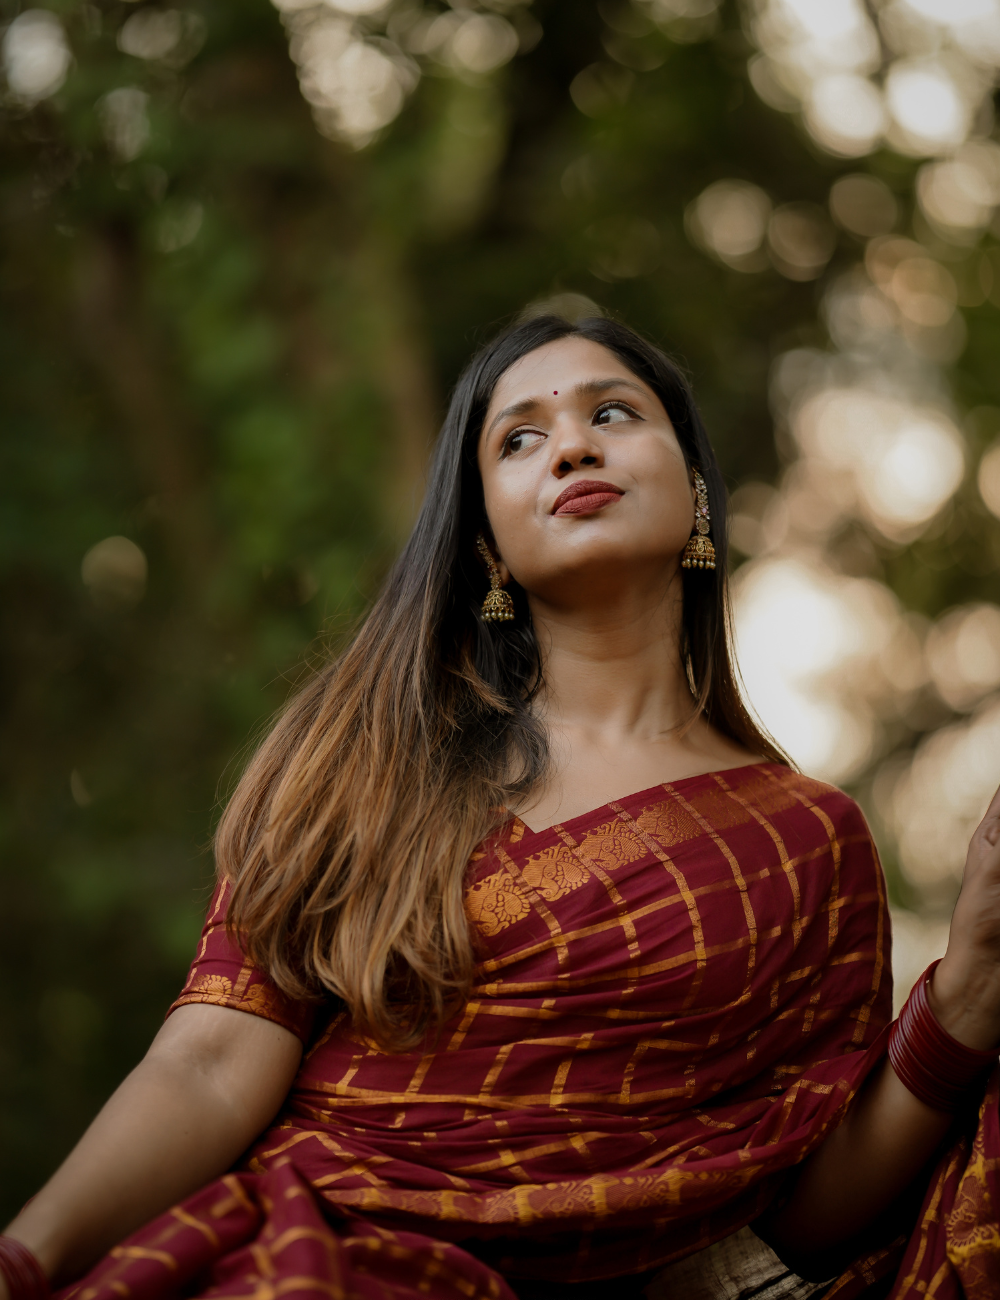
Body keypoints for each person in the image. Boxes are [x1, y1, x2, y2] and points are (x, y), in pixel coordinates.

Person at [2, 315, 999, 1300]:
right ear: (486, 540)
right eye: (518, 438)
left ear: (697, 495)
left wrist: (964, 1000)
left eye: (613, 412)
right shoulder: (371, 757)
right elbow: (211, 1065)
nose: (571, 444)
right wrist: (25, 1259)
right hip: (311, 1263)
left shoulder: (802, 841)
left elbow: (793, 1211)